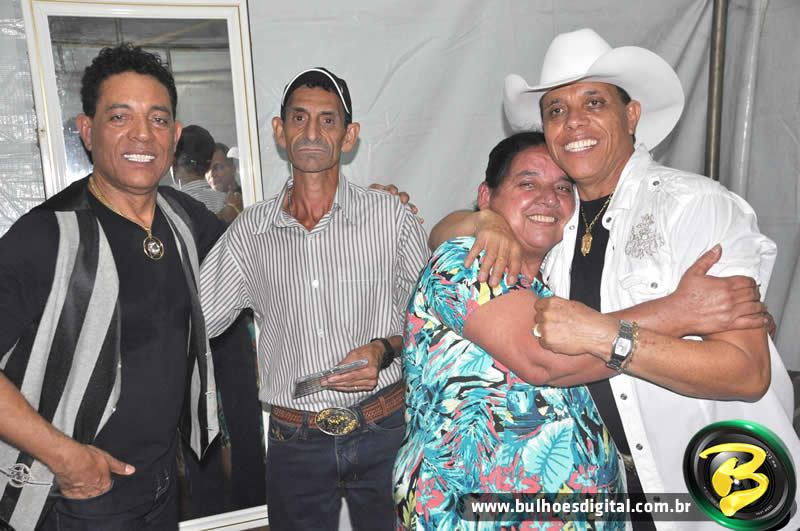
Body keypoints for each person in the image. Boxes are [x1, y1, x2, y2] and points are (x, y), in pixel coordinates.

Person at [433, 28, 800, 530]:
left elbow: (747, 372)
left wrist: (605, 334)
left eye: (594, 102)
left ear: (631, 116)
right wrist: (484, 220)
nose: (573, 121)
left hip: (715, 493)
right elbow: (443, 236)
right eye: (556, 109)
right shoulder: (557, 224)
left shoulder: (694, 205)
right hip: (609, 498)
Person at [0, 44, 224, 529]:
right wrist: (66, 458)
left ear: (175, 136)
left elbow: (261, 247)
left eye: (158, 119)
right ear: (87, 130)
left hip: (162, 484)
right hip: (77, 495)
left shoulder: (185, 218)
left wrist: (358, 205)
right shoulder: (47, 235)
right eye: (120, 117)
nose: (142, 134)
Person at [199, 67, 429, 530]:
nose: (311, 133)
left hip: (385, 427)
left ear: (349, 135)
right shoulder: (250, 232)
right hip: (295, 439)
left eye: (328, 120)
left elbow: (433, 324)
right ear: (279, 131)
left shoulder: (390, 218)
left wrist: (384, 349)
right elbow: (195, 320)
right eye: (299, 118)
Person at [394, 132, 626, 530]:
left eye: (562, 188)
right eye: (528, 183)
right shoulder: (467, 261)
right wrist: (682, 314)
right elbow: (544, 362)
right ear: (486, 196)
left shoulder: (560, 275)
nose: (548, 198)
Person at [173, 125, 242, 222]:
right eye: (210, 168)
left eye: (219, 167)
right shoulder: (230, 204)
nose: (213, 174)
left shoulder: (171, 207)